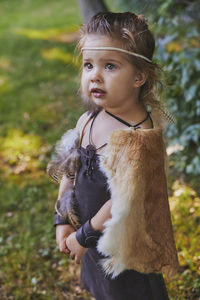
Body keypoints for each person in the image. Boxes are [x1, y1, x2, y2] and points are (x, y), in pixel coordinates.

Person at [47, 12, 179, 300]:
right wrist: (63, 220)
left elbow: (123, 200)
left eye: (109, 66)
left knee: (127, 292)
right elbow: (71, 169)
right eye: (88, 65)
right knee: (102, 288)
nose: (94, 75)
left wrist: (82, 238)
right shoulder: (87, 120)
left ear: (139, 76)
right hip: (90, 238)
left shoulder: (137, 137)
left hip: (123, 248)